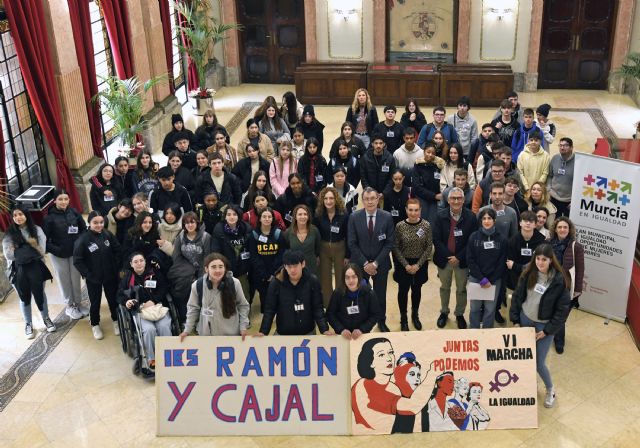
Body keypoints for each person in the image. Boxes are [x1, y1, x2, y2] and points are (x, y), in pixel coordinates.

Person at [510, 244, 571, 408]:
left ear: (551, 260)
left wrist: (547, 331)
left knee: (538, 362)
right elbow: (517, 297)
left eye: (544, 259)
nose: (540, 262)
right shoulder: (528, 271)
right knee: (523, 357)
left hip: (544, 326)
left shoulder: (559, 280)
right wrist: (515, 320)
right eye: (538, 258)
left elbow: (562, 311)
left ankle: (550, 389)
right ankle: (529, 385)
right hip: (525, 320)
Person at [352, 338, 436, 432]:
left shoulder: (393, 388)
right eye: (381, 355)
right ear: (371, 362)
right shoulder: (364, 385)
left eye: (391, 352)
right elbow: (412, 407)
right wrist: (432, 375)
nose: (389, 358)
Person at [3, 207, 55, 338]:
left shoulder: (37, 230)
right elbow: (9, 255)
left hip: (37, 268)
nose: (18, 217)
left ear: (26, 215)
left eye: (20, 214)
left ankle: (46, 318)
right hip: (17, 270)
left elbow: (41, 250)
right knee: (24, 297)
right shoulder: (9, 234)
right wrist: (30, 247)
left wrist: (19, 249)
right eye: (15, 215)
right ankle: (28, 324)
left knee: (40, 294)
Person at [348, 187, 395, 332]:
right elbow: (352, 243)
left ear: (378, 199)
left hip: (380, 264)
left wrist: (374, 263)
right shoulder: (354, 217)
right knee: (360, 294)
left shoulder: (387, 217)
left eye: (372, 198)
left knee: (380, 295)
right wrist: (365, 263)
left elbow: (389, 243)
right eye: (367, 199)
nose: (370, 202)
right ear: (363, 201)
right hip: (360, 265)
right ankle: (363, 321)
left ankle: (381, 321)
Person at [433, 187, 478, 329]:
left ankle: (459, 314)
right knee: (444, 287)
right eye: (453, 198)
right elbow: (436, 239)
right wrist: (448, 256)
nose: (456, 201)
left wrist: (458, 257)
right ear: (448, 200)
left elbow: (472, 241)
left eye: (459, 198)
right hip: (444, 260)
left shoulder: (471, 217)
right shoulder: (439, 216)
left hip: (462, 261)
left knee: (461, 289)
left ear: (464, 200)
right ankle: (444, 312)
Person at [118, 252, 172, 368]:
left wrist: (153, 300)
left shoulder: (154, 272)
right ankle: (152, 359)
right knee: (149, 330)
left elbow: (164, 288)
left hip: (156, 307)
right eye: (135, 262)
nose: (139, 264)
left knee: (164, 326)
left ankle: (168, 355)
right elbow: (120, 295)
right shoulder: (128, 277)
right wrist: (126, 302)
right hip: (140, 311)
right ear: (131, 264)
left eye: (141, 260)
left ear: (145, 261)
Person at [73, 211, 122, 340]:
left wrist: (115, 267)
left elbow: (117, 250)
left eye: (101, 222)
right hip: (93, 278)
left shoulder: (107, 234)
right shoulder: (82, 240)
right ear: (89, 223)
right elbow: (77, 260)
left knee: (113, 300)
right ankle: (95, 324)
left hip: (110, 276)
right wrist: (88, 275)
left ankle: (116, 321)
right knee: (95, 302)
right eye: (95, 222)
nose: (99, 225)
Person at [258, 249, 330, 336]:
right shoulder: (276, 283)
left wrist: (324, 330)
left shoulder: (312, 281)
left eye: (295, 266)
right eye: (289, 266)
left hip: (308, 332)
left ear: (303, 264)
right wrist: (263, 332)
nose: (292, 270)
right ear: (285, 266)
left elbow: (318, 308)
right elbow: (269, 310)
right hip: (283, 333)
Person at [180, 253, 250, 339]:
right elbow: (193, 309)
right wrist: (187, 331)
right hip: (206, 335)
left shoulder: (235, 283)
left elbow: (243, 306)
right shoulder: (197, 285)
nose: (217, 270)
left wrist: (243, 327)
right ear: (206, 269)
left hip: (231, 335)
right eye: (213, 267)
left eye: (221, 267)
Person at [43, 189, 88, 320]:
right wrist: (57, 250)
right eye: (60, 199)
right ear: (55, 200)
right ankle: (69, 306)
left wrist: (79, 244)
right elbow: (44, 240)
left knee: (75, 278)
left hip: (75, 252)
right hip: (58, 255)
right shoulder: (49, 218)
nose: (63, 202)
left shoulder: (74, 212)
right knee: (64, 280)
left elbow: (83, 229)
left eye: (66, 199)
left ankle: (78, 303)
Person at [392, 198, 432, 331]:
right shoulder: (399, 226)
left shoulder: (426, 225)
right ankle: (403, 318)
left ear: (420, 210)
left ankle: (415, 315)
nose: (413, 213)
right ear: (406, 210)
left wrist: (418, 265)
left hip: (419, 264)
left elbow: (428, 247)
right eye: (410, 210)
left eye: (416, 210)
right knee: (403, 292)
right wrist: (406, 265)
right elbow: (395, 247)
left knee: (417, 290)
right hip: (404, 264)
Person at [467, 208, 508, 329]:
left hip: (494, 280)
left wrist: (491, 279)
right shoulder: (473, 237)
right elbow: (470, 260)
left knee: (490, 310)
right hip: (476, 279)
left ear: (494, 220)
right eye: (484, 218)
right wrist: (481, 278)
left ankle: (487, 333)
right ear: (480, 221)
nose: (486, 221)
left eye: (489, 218)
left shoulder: (502, 239)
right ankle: (474, 331)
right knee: (474, 308)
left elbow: (502, 262)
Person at [168, 211, 212, 323]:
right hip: (185, 271)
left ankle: (201, 321)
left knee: (201, 290)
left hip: (202, 270)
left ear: (197, 223)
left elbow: (207, 259)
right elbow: (176, 258)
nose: (190, 225)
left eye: (192, 222)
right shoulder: (181, 237)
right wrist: (187, 273)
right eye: (187, 223)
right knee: (181, 291)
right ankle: (185, 320)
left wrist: (200, 278)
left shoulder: (206, 237)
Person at [549, 217, 584, 354]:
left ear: (569, 230)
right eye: (560, 227)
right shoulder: (548, 244)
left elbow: (580, 270)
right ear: (555, 229)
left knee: (561, 316)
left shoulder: (576, 247)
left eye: (565, 227)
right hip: (550, 285)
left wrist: (578, 290)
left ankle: (559, 341)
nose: (562, 230)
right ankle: (547, 335)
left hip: (567, 288)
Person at [248, 208, 287, 312]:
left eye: (269, 217)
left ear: (273, 219)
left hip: (276, 272)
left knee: (278, 298)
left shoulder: (279, 234)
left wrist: (273, 273)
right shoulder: (253, 235)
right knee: (265, 301)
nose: (267, 219)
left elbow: (282, 254)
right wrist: (265, 274)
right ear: (259, 219)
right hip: (260, 274)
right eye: (264, 216)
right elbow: (254, 256)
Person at [315, 187, 349, 304]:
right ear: (322, 200)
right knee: (325, 279)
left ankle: (340, 304)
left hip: (340, 248)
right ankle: (328, 305)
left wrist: (347, 256)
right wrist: (316, 254)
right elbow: (316, 235)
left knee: (341, 278)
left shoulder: (343, 215)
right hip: (323, 249)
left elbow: (348, 235)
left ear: (336, 199)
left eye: (331, 198)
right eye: (326, 198)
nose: (328, 201)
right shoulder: (318, 215)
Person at [327, 264, 381, 338]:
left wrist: (362, 329)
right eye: (347, 278)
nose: (351, 280)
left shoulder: (369, 293)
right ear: (343, 279)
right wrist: (341, 329)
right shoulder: (337, 293)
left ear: (359, 277)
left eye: (354, 277)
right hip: (342, 335)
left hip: (362, 335)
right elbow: (330, 314)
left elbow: (375, 315)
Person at [211, 206, 252, 301]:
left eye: (234, 214)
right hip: (226, 270)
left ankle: (245, 315)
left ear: (239, 216)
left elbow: (251, 250)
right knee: (227, 297)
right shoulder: (218, 230)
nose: (231, 217)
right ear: (225, 216)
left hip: (243, 270)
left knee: (244, 296)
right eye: (228, 214)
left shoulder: (246, 229)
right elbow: (216, 252)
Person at [506, 210, 547, 291]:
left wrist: (516, 266)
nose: (528, 223)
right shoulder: (512, 241)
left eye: (531, 221)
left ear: (535, 224)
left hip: (536, 280)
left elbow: (541, 264)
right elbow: (509, 264)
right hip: (515, 281)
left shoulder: (542, 241)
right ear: (520, 223)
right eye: (525, 221)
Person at [283, 204, 321, 277]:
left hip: (311, 266)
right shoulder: (288, 232)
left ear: (308, 216)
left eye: (305, 214)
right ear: (295, 217)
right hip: (294, 267)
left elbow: (318, 247)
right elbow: (286, 249)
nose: (303, 217)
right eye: (300, 214)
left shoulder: (314, 230)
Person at [411, 142, 442, 225]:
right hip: (422, 197)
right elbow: (416, 187)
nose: (430, 155)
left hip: (435, 200)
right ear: (424, 152)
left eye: (433, 153)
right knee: (422, 223)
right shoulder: (418, 165)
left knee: (432, 223)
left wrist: (436, 196)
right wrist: (434, 196)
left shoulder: (439, 166)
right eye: (428, 152)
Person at [547, 137, 575, 217]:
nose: (562, 147)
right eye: (560, 145)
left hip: (568, 201)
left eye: (565, 145)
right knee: (553, 223)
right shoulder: (555, 158)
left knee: (565, 225)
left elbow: (580, 184)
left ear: (571, 147)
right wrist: (548, 189)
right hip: (553, 197)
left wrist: (574, 200)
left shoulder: (577, 162)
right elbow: (549, 175)